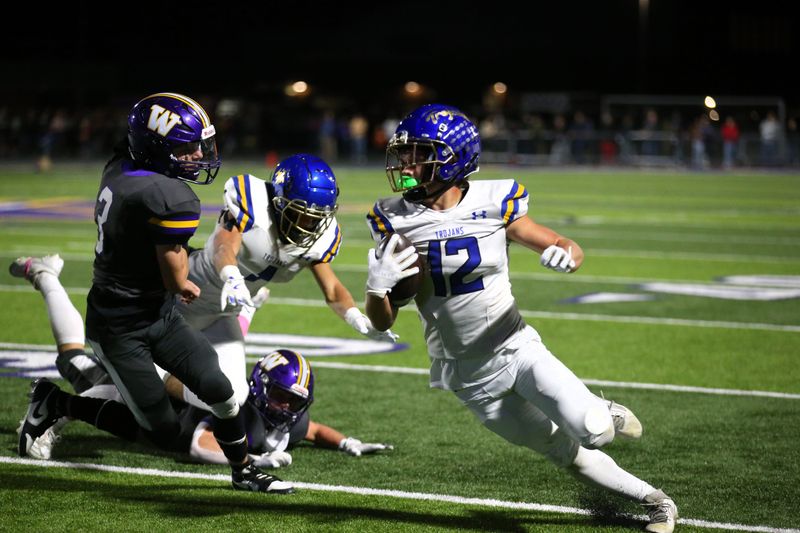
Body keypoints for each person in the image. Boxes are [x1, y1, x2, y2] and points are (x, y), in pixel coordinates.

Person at [363, 103, 678, 533]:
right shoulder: (393, 218)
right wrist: (376, 289)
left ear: (455, 158)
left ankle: (602, 409)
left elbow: (567, 244)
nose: (408, 164)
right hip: (466, 374)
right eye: (406, 154)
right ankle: (657, 501)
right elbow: (382, 322)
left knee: (595, 429)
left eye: (420, 153)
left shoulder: (495, 202)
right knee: (561, 451)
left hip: (516, 347)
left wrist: (565, 255)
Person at [15, 93, 291, 494]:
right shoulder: (170, 198)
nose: (197, 154)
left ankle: (243, 469)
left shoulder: (121, 165)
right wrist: (187, 285)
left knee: (220, 388)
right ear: (156, 148)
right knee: (160, 430)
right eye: (185, 148)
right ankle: (56, 403)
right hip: (121, 325)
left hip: (156, 315)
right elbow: (173, 275)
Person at [9, 254, 393, 464]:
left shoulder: (284, 419)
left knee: (77, 362)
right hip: (145, 385)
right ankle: (45, 278)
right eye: (281, 397)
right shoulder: (242, 409)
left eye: (292, 401)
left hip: (160, 391)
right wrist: (245, 461)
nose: (286, 407)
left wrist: (346, 442)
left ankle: (45, 277)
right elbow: (201, 442)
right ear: (259, 389)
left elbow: (309, 429)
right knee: (74, 365)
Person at [166, 153, 397, 416]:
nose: (311, 225)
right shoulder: (253, 204)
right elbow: (224, 246)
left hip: (224, 313)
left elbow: (332, 289)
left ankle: (160, 381)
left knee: (234, 397)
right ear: (278, 201)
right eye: (302, 214)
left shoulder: (319, 238)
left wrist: (358, 319)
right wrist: (231, 275)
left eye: (317, 217)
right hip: (183, 300)